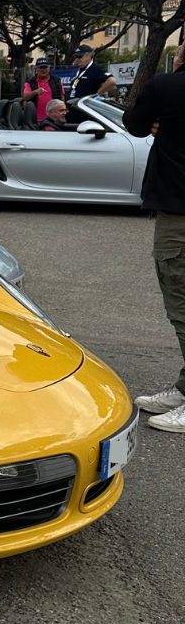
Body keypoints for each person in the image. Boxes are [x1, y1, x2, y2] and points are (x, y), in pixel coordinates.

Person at [123, 43, 185, 431]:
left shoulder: (167, 87)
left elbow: (132, 123)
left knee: (182, 305)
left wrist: (157, 119)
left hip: (179, 211)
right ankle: (183, 388)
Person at [23, 58, 64, 122]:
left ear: (49, 68)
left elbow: (62, 96)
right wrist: (35, 92)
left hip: (54, 119)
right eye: (41, 68)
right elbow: (25, 97)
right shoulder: (30, 82)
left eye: (45, 67)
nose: (43, 70)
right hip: (36, 119)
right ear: (36, 69)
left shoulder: (57, 80)